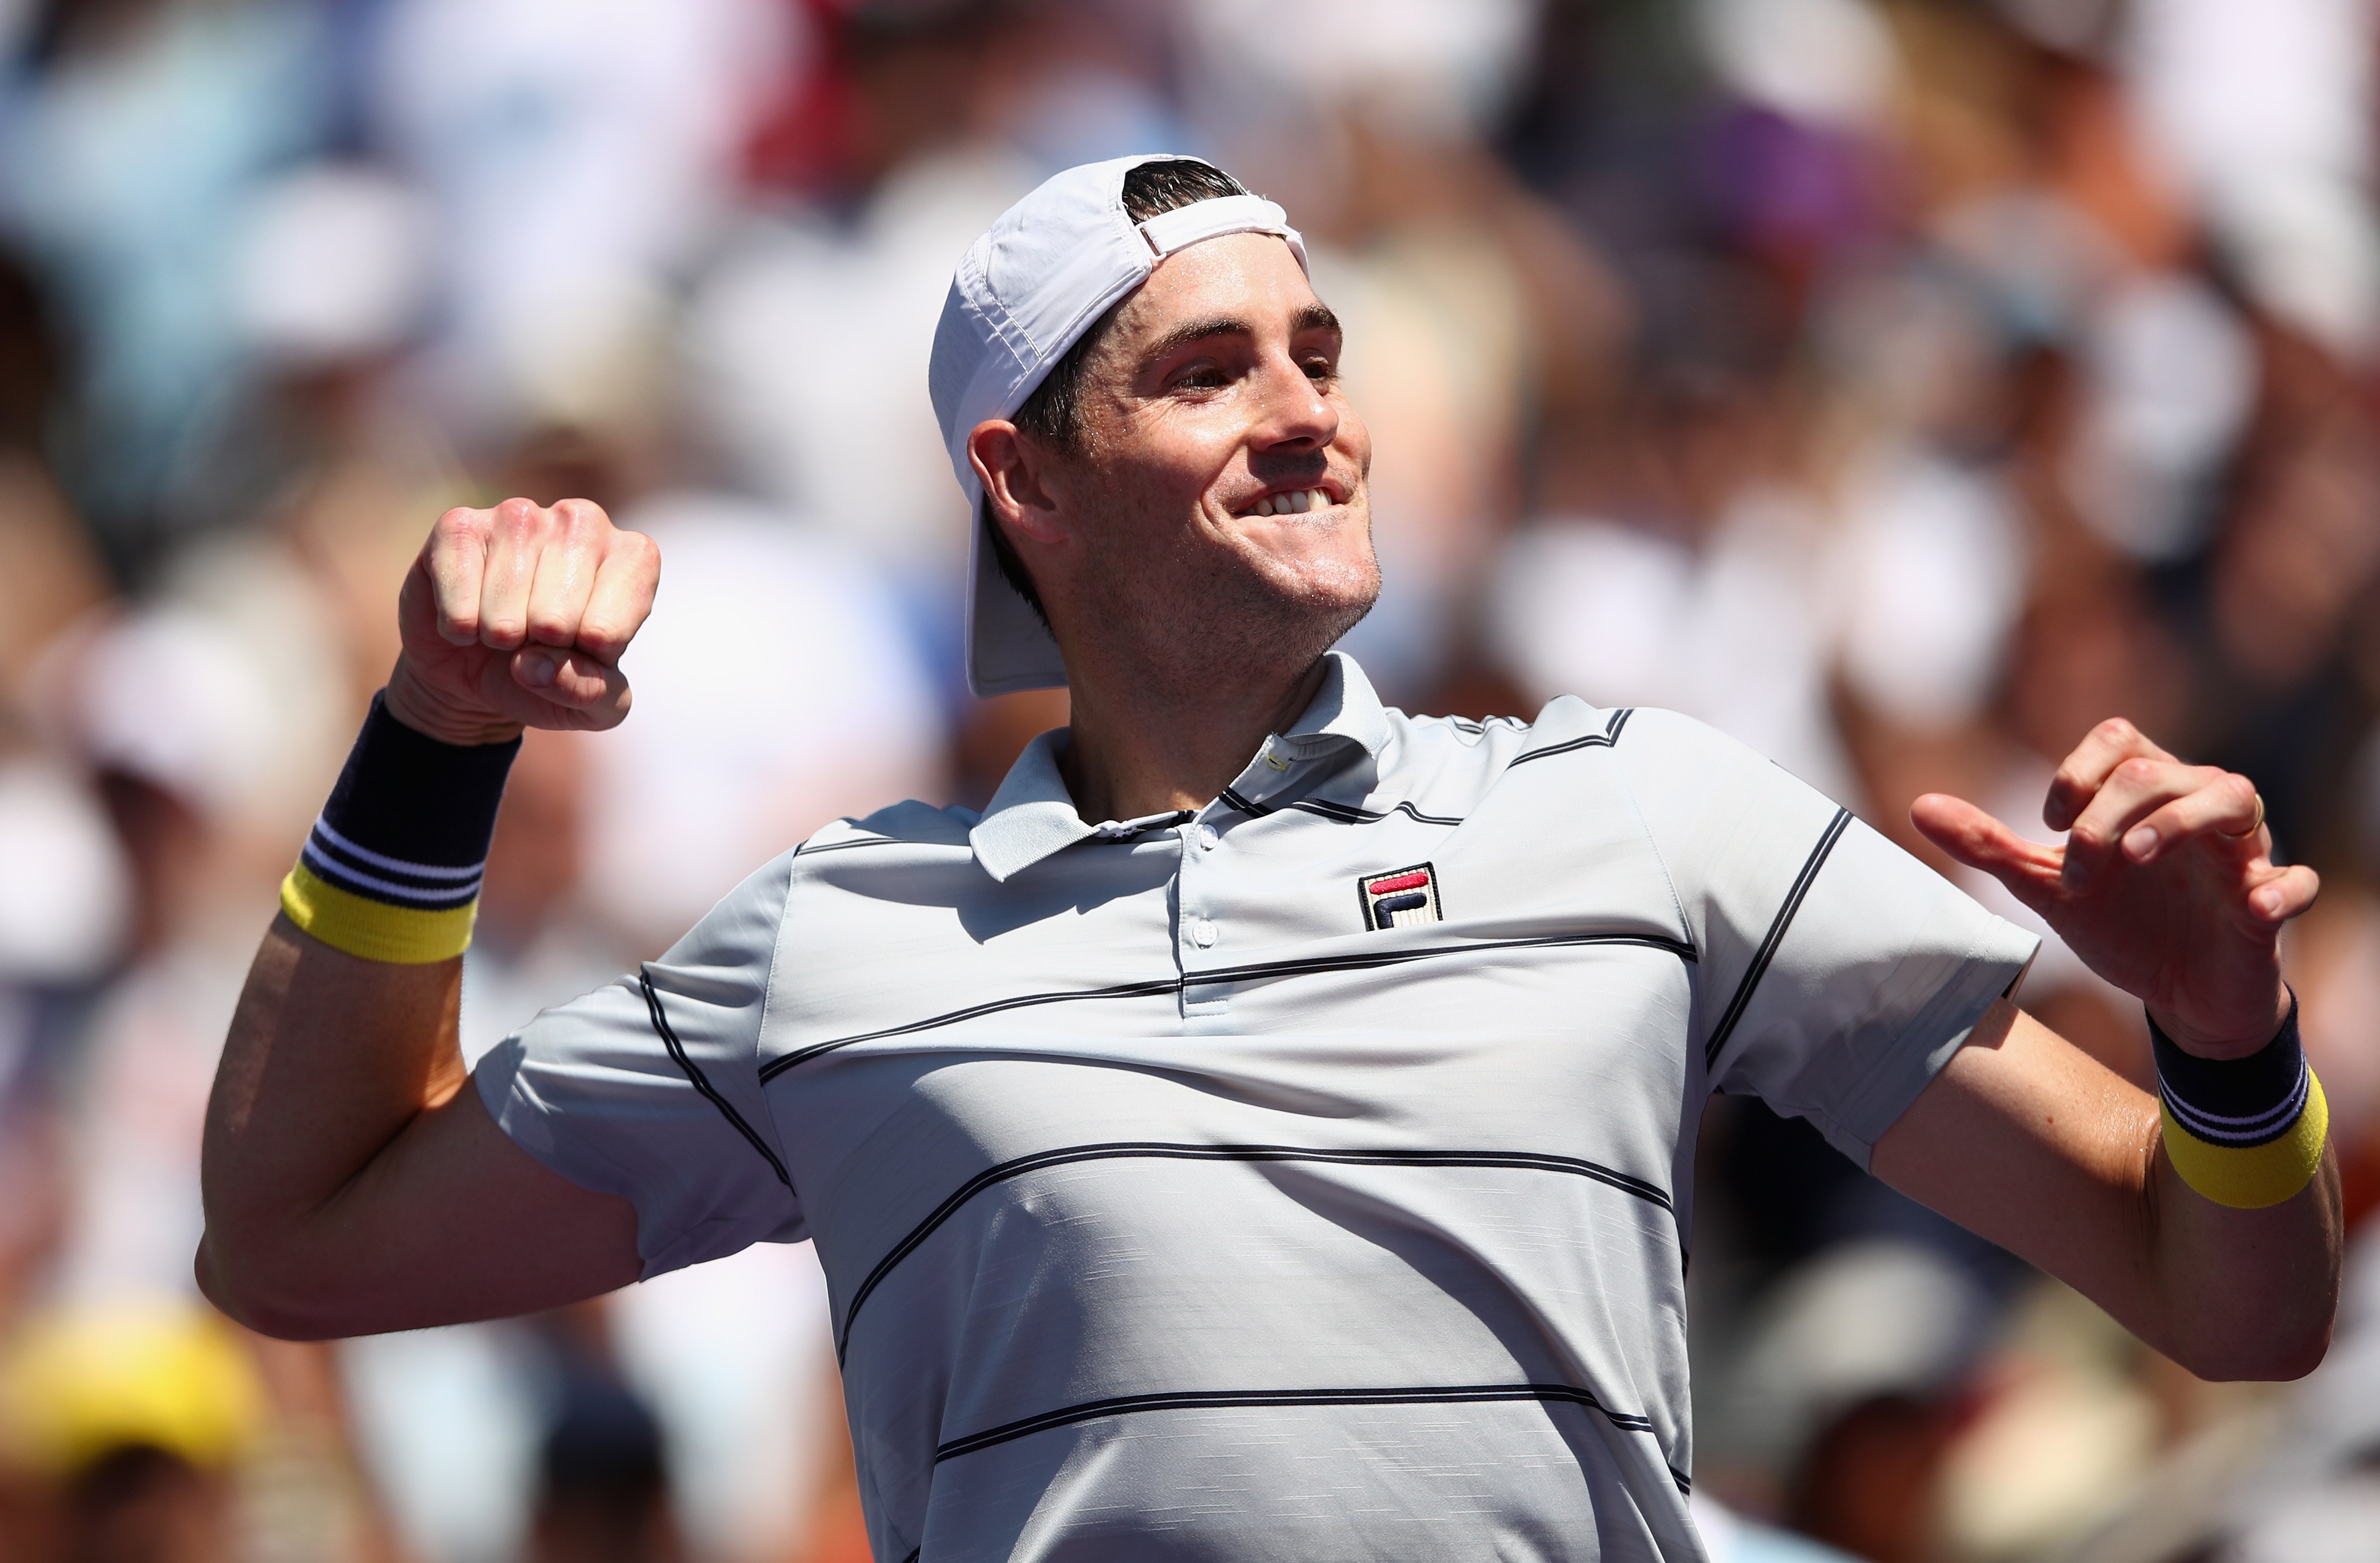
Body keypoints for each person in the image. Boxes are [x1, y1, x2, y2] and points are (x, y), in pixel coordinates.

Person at [198, 158, 2341, 1561]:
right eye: (1210, 371)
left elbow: (2228, 1300)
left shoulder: (1636, 808)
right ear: (1025, 481)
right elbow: (298, 1243)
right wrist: (437, 735)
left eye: (1320, 351)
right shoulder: (837, 935)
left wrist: (2221, 1033)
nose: (1311, 409)